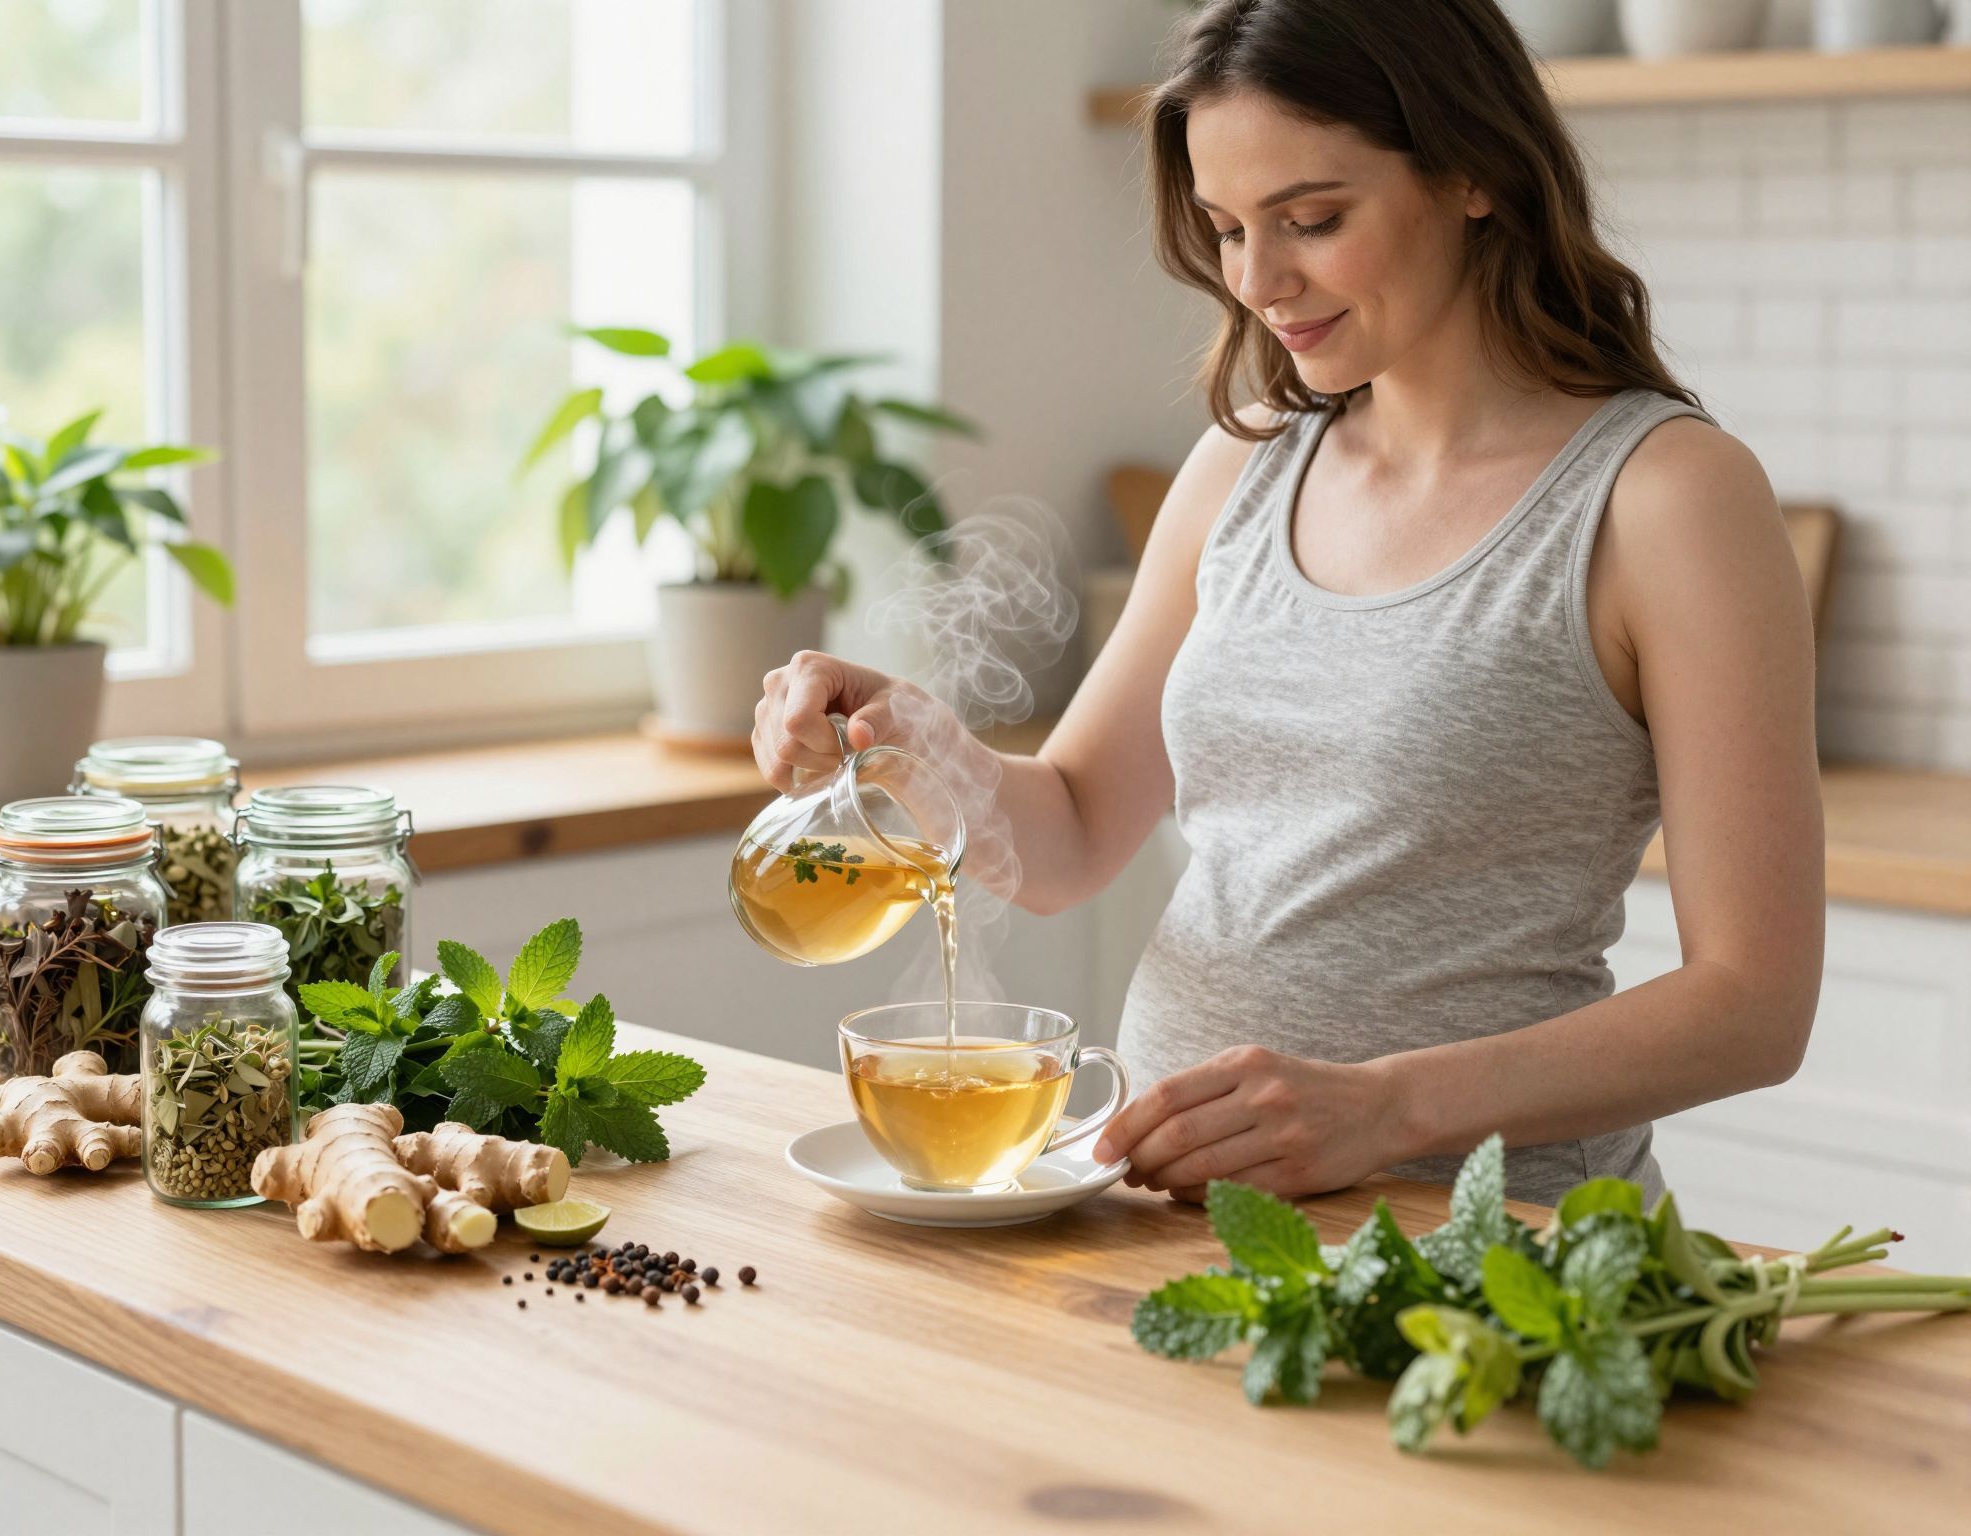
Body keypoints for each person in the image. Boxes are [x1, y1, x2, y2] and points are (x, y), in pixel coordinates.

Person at [750, 0, 1822, 1207]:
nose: (1257, 280)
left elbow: (1753, 1004)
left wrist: (1387, 1107)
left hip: (1480, 1238)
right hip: (1162, 1205)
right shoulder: (1243, 466)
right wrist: (908, 739)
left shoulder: (1663, 497)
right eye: (1224, 228)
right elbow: (1069, 833)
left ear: (1470, 172)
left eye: (1311, 219)